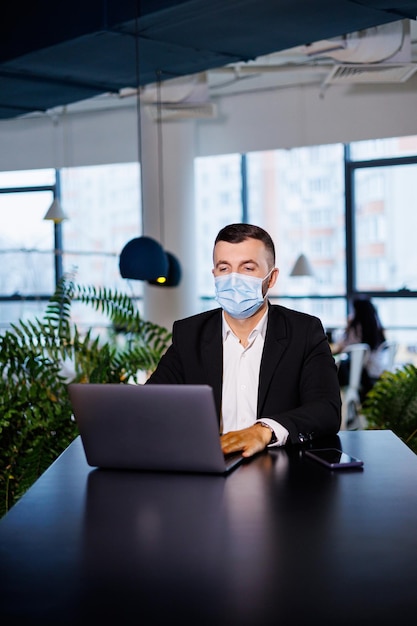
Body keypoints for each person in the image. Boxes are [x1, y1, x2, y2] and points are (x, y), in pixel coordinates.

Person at [146, 223, 341, 458]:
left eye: (247, 268)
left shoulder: (304, 331)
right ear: (214, 274)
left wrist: (264, 430)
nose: (234, 279)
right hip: (208, 471)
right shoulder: (189, 333)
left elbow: (326, 410)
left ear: (271, 278)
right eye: (224, 268)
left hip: (280, 477)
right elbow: (151, 403)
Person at [332, 298, 386, 395]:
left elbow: (342, 347)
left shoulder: (356, 328)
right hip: (376, 368)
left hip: (362, 374)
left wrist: (347, 328)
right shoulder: (376, 326)